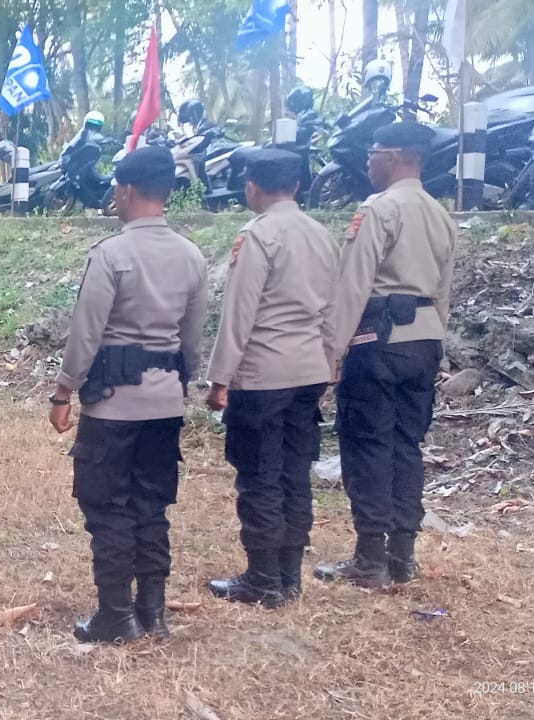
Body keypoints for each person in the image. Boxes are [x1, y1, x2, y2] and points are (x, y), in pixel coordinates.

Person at [46, 146, 206, 644]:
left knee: (108, 506)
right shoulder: (192, 255)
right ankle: (152, 612)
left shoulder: (112, 254)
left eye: (116, 189)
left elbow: (86, 332)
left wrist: (64, 391)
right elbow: (192, 340)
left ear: (127, 190)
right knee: (151, 506)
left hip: (114, 405)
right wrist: (179, 384)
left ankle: (116, 615)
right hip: (165, 402)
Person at [316, 122, 456, 589]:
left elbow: (353, 285)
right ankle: (402, 555)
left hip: (377, 341)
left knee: (367, 444)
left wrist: (332, 351)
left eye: (373, 152)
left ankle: (369, 558)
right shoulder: (440, 213)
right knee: (405, 445)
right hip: (425, 341)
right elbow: (443, 291)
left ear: (394, 157)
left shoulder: (379, 208)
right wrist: (438, 346)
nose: (368, 161)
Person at [203, 149, 337, 608]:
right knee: (295, 474)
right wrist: (330, 360)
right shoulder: (322, 234)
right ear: (297, 186)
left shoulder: (258, 235)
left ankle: (262, 579)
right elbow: (334, 307)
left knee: (260, 475)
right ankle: (288, 575)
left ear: (252, 185)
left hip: (263, 374)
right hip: (309, 372)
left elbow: (239, 314)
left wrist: (220, 378)